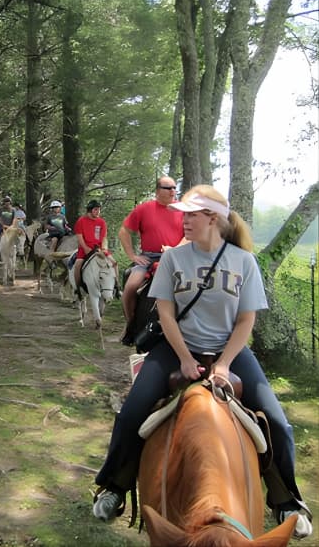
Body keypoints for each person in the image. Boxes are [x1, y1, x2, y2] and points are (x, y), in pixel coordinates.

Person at [92, 185, 313, 540]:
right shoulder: (174, 260)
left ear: (212, 219)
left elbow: (246, 321)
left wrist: (224, 364)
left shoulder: (244, 262)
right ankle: (114, 485)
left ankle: (287, 499)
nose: (184, 220)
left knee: (277, 421)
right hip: (175, 348)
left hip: (231, 350)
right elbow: (164, 311)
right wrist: (182, 356)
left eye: (191, 214)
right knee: (132, 412)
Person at [118, 176, 184, 345]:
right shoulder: (143, 209)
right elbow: (124, 231)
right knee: (130, 287)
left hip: (178, 258)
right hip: (149, 257)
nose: (172, 191)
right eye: (167, 188)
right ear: (157, 191)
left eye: (174, 188)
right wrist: (133, 256)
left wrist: (175, 250)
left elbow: (190, 236)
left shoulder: (183, 210)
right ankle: (130, 325)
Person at [73, 200, 117, 293]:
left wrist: (104, 248)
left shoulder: (102, 222)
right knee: (77, 265)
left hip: (99, 248)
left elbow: (104, 237)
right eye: (96, 209)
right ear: (90, 210)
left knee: (114, 263)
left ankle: (116, 286)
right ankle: (78, 288)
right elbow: (79, 238)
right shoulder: (81, 221)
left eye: (99, 210)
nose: (98, 212)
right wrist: (85, 248)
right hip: (85, 248)